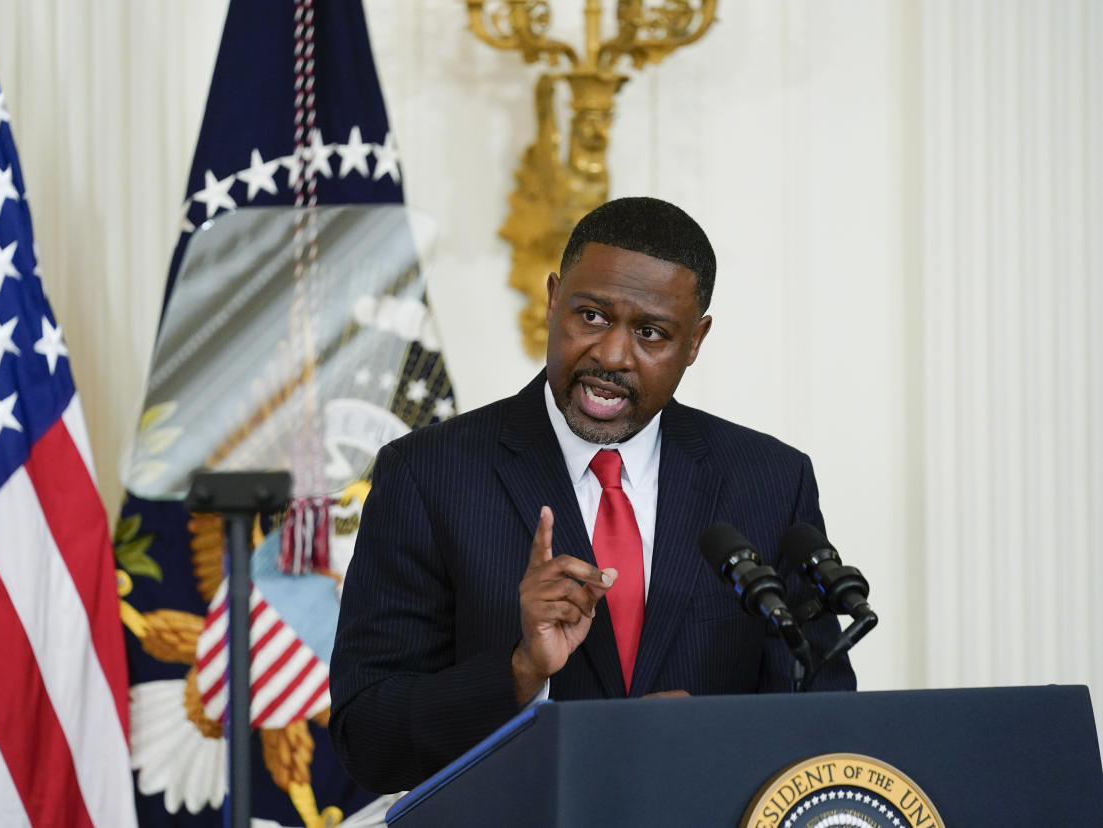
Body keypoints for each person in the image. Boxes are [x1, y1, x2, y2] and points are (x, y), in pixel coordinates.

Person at [328, 197, 856, 794]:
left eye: (651, 332)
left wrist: (711, 739)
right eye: (593, 317)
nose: (611, 356)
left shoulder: (769, 481)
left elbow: (822, 716)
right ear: (555, 299)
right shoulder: (427, 475)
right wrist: (521, 671)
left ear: (696, 340)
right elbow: (365, 738)